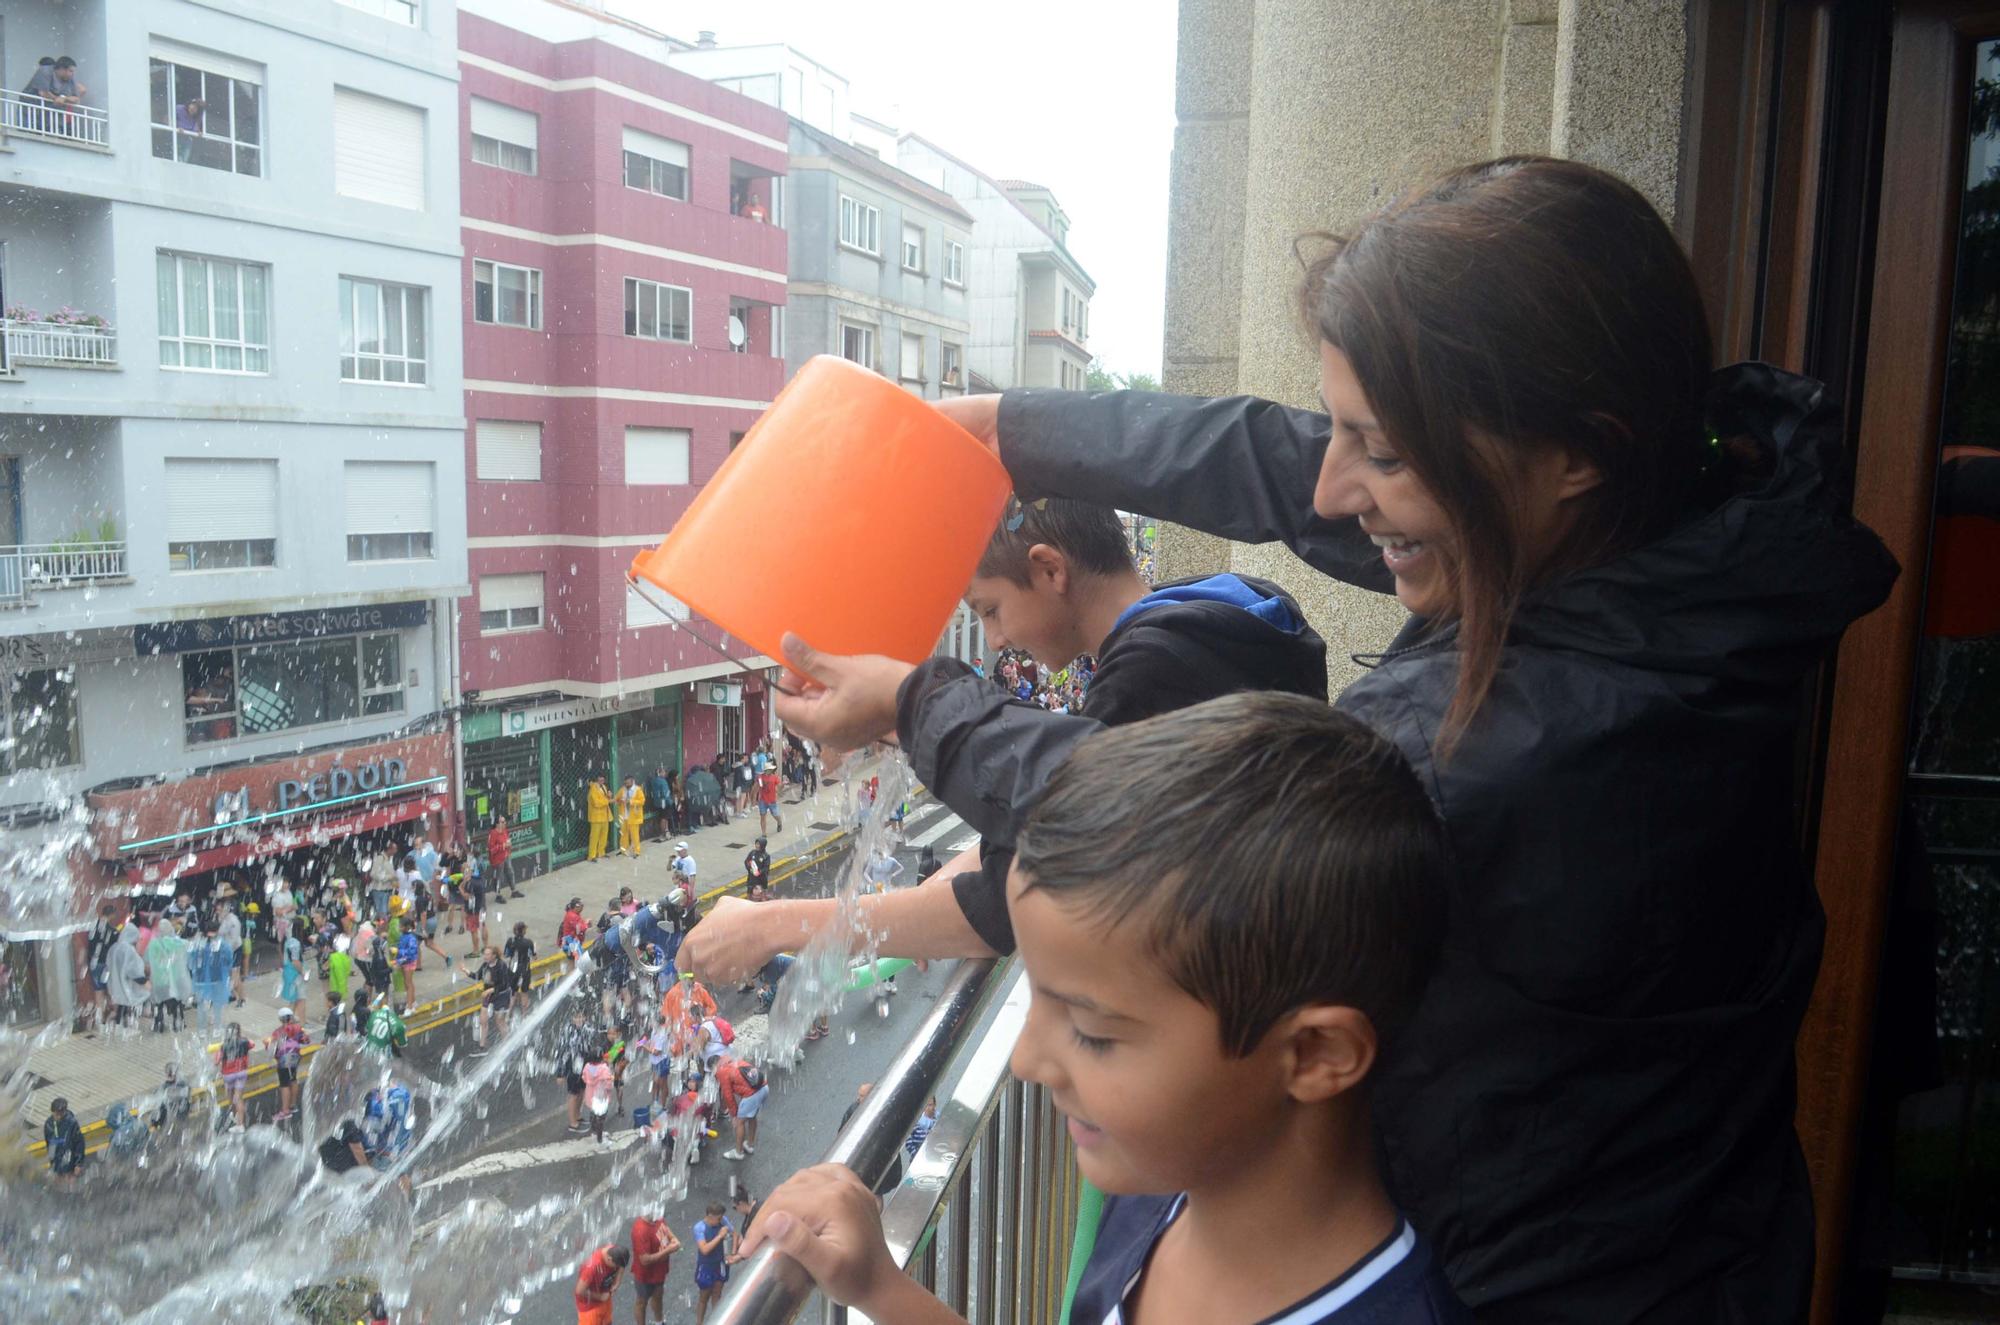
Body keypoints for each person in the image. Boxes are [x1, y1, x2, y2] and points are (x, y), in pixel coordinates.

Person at [769, 158, 1900, 1322]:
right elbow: (1270, 458)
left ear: (1575, 453)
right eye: (1343, 428)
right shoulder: (1640, 544)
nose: (1327, 488)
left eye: (1382, 451)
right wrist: (1005, 430)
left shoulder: (1517, 750)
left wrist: (916, 702)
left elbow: (1153, 815)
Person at [741, 693, 1464, 1324]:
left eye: (1090, 1031)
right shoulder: (1171, 1189)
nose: (1025, 1058)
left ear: (1313, 1055)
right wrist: (881, 1288)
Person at [630, 1202, 681, 1325]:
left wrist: (673, 1239)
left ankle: (659, 1322)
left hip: (659, 1271)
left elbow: (666, 1231)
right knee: (642, 1302)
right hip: (646, 1275)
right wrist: (669, 1249)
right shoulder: (640, 1230)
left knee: (658, 1295)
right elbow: (645, 1260)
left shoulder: (658, 1219)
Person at [690, 1203, 735, 1325]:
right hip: (706, 1266)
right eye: (718, 1218)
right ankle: (699, 1322)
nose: (721, 1221)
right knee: (704, 1297)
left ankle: (717, 1321)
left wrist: (733, 1252)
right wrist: (720, 1236)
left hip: (720, 1263)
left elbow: (734, 1233)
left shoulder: (723, 1220)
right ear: (710, 1216)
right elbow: (704, 1249)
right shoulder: (699, 1228)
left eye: (721, 1218)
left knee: (717, 1293)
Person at [145, 917, 192, 1034]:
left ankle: (158, 1024)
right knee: (176, 1002)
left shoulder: (153, 944)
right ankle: (178, 1023)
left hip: (158, 980)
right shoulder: (176, 943)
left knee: (158, 1003)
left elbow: (147, 960)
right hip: (174, 979)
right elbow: (188, 948)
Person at [717, 1056, 767, 1161]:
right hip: (764, 1087)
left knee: (740, 1122)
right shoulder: (736, 1061)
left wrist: (734, 1115)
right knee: (752, 1116)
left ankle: (738, 1152)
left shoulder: (721, 1071)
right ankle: (750, 1144)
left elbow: (728, 1096)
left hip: (752, 1095)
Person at [264, 1009, 309, 1121]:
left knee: (284, 1084)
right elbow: (305, 1041)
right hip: (295, 1057)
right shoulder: (298, 1028)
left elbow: (272, 1046)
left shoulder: (278, 1032)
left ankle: (285, 1111)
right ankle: (293, 1105)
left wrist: (266, 1043)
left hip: (284, 1059)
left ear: (280, 1019)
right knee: (293, 1080)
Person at [189, 924, 232, 1039]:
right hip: (217, 978)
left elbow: (190, 959)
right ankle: (217, 1028)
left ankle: (202, 1030)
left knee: (201, 1006)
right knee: (217, 1004)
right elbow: (228, 960)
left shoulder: (197, 943)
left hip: (200, 979)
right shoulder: (222, 944)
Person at [105, 921, 148, 1029]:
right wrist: (143, 981)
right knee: (125, 1002)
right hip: (125, 983)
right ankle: (123, 1025)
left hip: (114, 983)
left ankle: (120, 1023)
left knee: (121, 1003)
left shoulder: (114, 947)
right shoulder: (128, 950)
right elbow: (133, 969)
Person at [574, 1243, 630, 1325]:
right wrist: (600, 1297)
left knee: (607, 1322)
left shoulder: (616, 1252)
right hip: (590, 1307)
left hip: (605, 1296)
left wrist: (617, 1282)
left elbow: (622, 1266)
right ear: (609, 1259)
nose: (616, 1268)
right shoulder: (591, 1268)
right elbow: (579, 1291)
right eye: (616, 1265)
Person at [84, 903, 119, 1029]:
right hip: (105, 964)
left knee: (98, 991)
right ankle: (114, 1015)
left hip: (93, 963)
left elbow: (90, 943)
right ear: (113, 915)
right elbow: (115, 949)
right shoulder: (113, 931)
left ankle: (99, 1019)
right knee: (110, 990)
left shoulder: (93, 927)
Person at [217, 1022, 252, 1128]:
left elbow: (217, 1061)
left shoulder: (224, 1045)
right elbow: (252, 1044)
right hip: (241, 1072)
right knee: (238, 1097)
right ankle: (240, 1123)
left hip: (228, 1074)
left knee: (230, 1095)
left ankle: (235, 1115)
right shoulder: (245, 1041)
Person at [43, 1096, 84, 1184]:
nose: (57, 1116)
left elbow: (79, 1143)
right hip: (57, 1161)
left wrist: (78, 1163)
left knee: (70, 1182)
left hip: (70, 1159)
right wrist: (52, 1164)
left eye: (60, 1114)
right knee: (59, 1184)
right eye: (56, 1114)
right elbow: (49, 1145)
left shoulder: (71, 1123)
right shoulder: (49, 1125)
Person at [582, 1048, 616, 1144]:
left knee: (593, 1114)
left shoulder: (587, 1066)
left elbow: (584, 1078)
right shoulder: (604, 1068)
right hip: (600, 1098)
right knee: (601, 1118)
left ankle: (594, 1132)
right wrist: (611, 1082)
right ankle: (600, 1139)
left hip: (590, 1097)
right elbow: (608, 1084)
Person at [487, 815, 523, 899]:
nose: (505, 823)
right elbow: (491, 849)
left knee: (510, 872)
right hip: (497, 859)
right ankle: (498, 895)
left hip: (506, 855)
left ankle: (514, 891)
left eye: (505, 821)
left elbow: (507, 841)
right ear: (497, 824)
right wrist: (503, 846)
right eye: (502, 822)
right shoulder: (493, 834)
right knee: (498, 877)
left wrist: (509, 848)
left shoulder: (505, 831)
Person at [505, 921, 538, 1009]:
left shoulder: (510, 941)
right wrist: (535, 949)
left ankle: (508, 1015)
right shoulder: (529, 942)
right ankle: (524, 1016)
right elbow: (534, 957)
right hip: (525, 971)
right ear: (523, 930)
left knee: (512, 993)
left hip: (512, 970)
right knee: (524, 993)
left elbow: (506, 955)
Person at [587, 775, 614, 862]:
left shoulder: (604, 787)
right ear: (596, 780)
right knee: (594, 837)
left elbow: (603, 799)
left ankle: (601, 852)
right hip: (596, 816)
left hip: (605, 816)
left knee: (604, 835)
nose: (602, 781)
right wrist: (608, 801)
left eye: (603, 779)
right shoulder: (593, 788)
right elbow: (596, 803)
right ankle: (592, 856)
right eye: (600, 779)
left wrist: (609, 796)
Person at [618, 776, 645, 858]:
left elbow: (642, 801)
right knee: (623, 834)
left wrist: (631, 801)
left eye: (628, 783)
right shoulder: (623, 789)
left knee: (634, 835)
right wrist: (619, 800)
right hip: (624, 815)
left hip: (634, 816)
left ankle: (637, 851)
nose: (626, 784)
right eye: (625, 783)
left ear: (632, 781)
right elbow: (617, 798)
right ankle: (623, 850)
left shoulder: (638, 789)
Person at [755, 763, 783, 836]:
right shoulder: (760, 777)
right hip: (763, 800)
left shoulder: (775, 777)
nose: (771, 770)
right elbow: (759, 787)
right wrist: (755, 797)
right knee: (762, 816)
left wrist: (782, 785)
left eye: (771, 769)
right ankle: (764, 833)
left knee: (775, 814)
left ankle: (779, 822)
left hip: (772, 800)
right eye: (769, 769)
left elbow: (779, 787)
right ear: (766, 770)